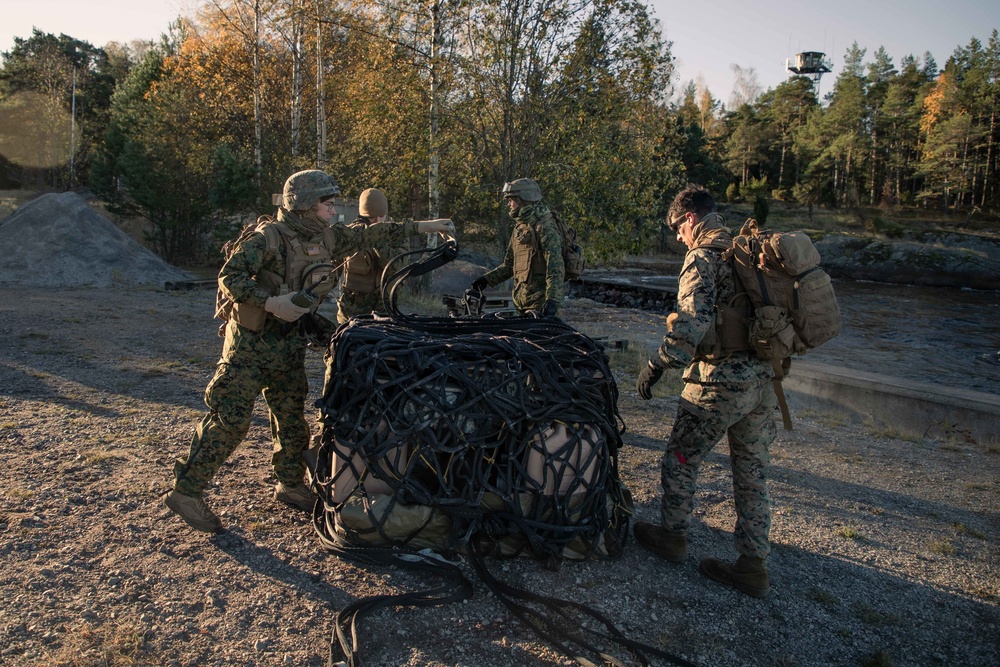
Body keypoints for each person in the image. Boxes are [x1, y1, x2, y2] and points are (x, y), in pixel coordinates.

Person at [163, 170, 455, 533]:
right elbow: (229, 277)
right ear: (304, 205)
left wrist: (426, 227)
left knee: (290, 418)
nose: (333, 211)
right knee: (230, 420)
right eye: (327, 204)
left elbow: (373, 233)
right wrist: (270, 302)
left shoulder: (326, 238)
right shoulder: (266, 238)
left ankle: (289, 484)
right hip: (249, 348)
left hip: (289, 345)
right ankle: (186, 491)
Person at [633, 185, 777, 598]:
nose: (679, 238)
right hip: (762, 381)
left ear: (691, 218)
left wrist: (656, 364)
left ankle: (672, 535)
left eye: (678, 229)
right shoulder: (746, 250)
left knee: (680, 457)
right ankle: (753, 566)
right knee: (752, 473)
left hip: (718, 383)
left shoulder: (703, 257)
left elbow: (691, 324)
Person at [470, 178, 564, 316]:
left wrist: (552, 300)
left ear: (522, 199)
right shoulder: (520, 227)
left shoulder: (545, 227)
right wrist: (486, 280)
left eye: (511, 200)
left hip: (541, 305)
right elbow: (509, 265)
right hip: (522, 303)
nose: (509, 204)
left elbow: (556, 268)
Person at [336, 187, 427, 323]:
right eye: (371, 217)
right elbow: (334, 267)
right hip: (352, 306)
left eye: (381, 216)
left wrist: (377, 242)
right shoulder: (354, 234)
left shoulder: (397, 234)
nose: (377, 221)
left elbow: (398, 266)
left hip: (384, 306)